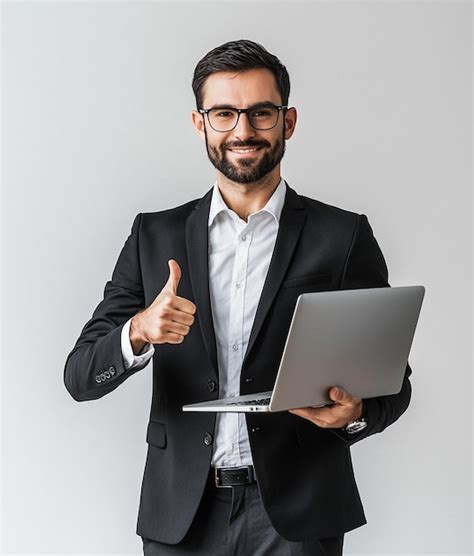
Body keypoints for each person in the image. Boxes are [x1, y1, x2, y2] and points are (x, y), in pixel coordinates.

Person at [64, 39, 412, 555]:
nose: (243, 131)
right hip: (181, 513)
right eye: (224, 114)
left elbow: (394, 384)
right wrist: (138, 331)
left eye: (260, 113)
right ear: (199, 122)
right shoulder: (154, 236)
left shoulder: (342, 237)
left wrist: (354, 413)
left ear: (287, 122)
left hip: (298, 515)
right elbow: (80, 376)